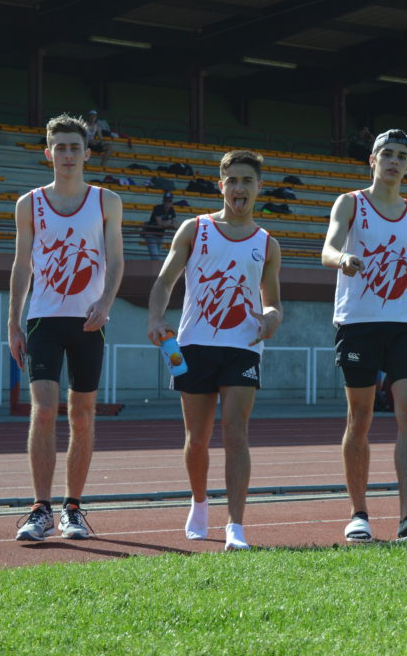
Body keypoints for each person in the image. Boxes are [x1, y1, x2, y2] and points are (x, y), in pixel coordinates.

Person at [147, 149, 283, 551]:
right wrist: (156, 319)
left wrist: (271, 319)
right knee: (198, 437)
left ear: (259, 187)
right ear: (220, 185)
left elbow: (273, 302)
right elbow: (164, 281)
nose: (239, 188)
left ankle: (235, 526)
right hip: (193, 344)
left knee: (236, 433)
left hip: (242, 347)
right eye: (233, 180)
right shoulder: (195, 229)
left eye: (247, 181)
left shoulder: (267, 244)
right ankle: (199, 501)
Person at [321, 128, 407, 543]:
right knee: (361, 416)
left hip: (404, 324)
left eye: (401, 157)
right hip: (358, 322)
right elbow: (327, 250)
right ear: (372, 160)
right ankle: (359, 513)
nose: (393, 161)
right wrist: (344, 259)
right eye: (386, 154)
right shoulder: (351, 203)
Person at [9, 113, 124, 542]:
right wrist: (13, 324)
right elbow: (21, 266)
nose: (68, 154)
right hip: (42, 320)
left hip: (89, 321)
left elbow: (115, 260)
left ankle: (72, 508)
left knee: (82, 414)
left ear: (87, 153)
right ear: (48, 153)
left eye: (75, 147)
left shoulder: (106, 202)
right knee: (42, 411)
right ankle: (39, 509)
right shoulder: (29, 204)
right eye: (60, 147)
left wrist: (106, 302)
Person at [144, 190, 179, 260]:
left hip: (160, 235)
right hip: (151, 234)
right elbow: (160, 224)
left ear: (172, 202)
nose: (167, 203)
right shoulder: (158, 208)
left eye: (169, 201)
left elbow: (176, 224)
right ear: (163, 201)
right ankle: (153, 270)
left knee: (157, 255)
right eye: (166, 201)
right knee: (155, 256)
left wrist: (168, 223)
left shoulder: (171, 210)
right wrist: (170, 221)